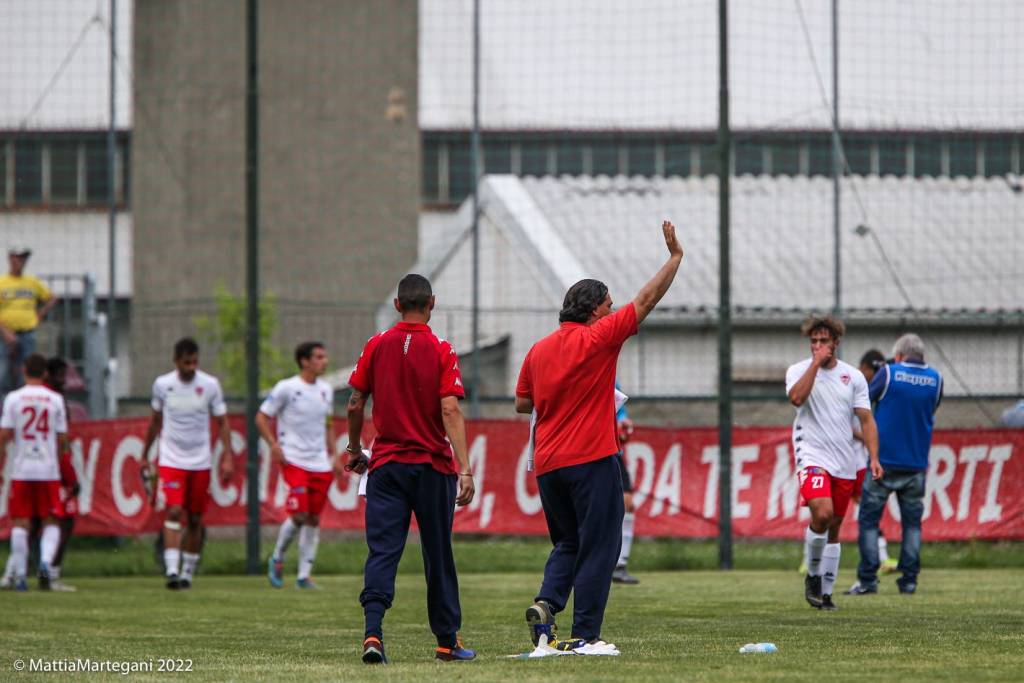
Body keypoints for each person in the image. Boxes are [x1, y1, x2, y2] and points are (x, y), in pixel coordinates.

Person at [515, 220, 683, 654]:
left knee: (567, 542)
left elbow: (522, 404)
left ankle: (546, 606)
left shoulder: (538, 349)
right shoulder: (599, 337)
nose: (611, 312)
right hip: (590, 458)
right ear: (593, 311)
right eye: (607, 306)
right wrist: (674, 259)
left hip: (549, 465)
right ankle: (586, 635)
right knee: (601, 546)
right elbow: (645, 301)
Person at [345, 273, 476, 665]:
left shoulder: (376, 344)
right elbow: (449, 408)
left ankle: (373, 634)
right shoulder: (441, 348)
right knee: (437, 554)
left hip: (386, 467)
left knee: (383, 552)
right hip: (432, 468)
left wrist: (354, 448)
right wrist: (465, 468)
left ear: (398, 305)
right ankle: (446, 642)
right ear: (431, 304)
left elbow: (354, 403)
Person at [786, 315, 881, 611]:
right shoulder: (799, 370)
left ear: (836, 342)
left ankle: (825, 595)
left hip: (844, 460)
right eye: (813, 341)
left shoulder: (852, 377)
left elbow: (866, 420)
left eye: (823, 341)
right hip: (812, 455)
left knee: (835, 527)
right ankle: (812, 576)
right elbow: (797, 399)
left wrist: (874, 458)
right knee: (822, 513)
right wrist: (816, 364)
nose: (818, 346)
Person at [852, 333, 943, 595]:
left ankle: (868, 580)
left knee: (869, 521)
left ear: (899, 355)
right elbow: (931, 409)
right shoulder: (936, 379)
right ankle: (909, 580)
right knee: (912, 524)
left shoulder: (889, 373)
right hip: (916, 464)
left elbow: (864, 401)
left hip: (884, 461)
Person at [142, 337, 233, 590]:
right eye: (186, 363)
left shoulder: (210, 385)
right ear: (176, 361)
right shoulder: (163, 385)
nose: (191, 367)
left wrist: (227, 455)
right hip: (171, 460)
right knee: (172, 511)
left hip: (200, 462)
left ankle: (187, 573)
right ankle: (171, 570)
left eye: (194, 362)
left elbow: (223, 422)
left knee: (194, 519)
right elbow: (154, 421)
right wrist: (144, 454)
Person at [258, 341, 341, 589]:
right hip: (293, 459)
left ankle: (304, 575)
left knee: (314, 518)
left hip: (320, 463)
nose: (324, 361)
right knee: (299, 514)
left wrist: (335, 455)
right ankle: (278, 557)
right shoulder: (287, 388)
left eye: (324, 357)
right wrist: (273, 445)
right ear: (304, 361)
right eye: (318, 357)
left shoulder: (326, 390)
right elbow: (261, 417)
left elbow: (327, 425)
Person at [0, 354, 69, 591]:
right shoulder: (55, 400)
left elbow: (4, 437)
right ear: (46, 374)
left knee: (20, 523)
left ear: (23, 370)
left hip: (22, 469)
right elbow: (62, 441)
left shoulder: (13, 399)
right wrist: (61, 465)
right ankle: (45, 564)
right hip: (48, 470)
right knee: (51, 521)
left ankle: (20, 575)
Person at [0, 247, 58, 398]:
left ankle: (23, 404)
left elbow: (52, 298)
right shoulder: (2, 282)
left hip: (27, 333)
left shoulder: (31, 282)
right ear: (11, 259)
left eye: (23, 259)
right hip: (4, 335)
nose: (21, 262)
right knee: (2, 372)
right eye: (18, 258)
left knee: (26, 372)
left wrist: (39, 315)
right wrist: (5, 331)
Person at [611, 382, 639, 585]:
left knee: (627, 503)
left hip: (611, 452)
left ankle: (620, 565)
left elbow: (619, 408)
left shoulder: (609, 372)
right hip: (584, 452)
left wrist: (623, 423)